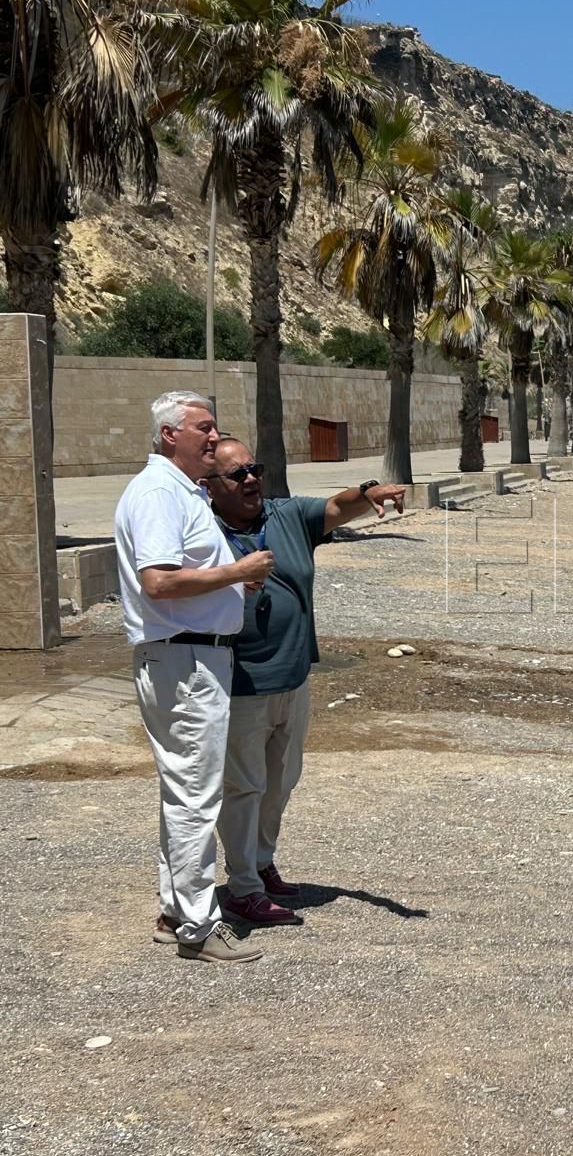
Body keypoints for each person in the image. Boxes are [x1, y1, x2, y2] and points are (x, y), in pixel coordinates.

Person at [206, 438, 407, 928]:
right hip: (239, 683)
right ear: (209, 487)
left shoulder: (286, 515)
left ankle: (260, 861)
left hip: (292, 677)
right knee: (243, 787)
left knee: (280, 781)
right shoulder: (201, 532)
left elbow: (338, 507)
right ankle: (242, 888)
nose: (251, 478)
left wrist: (369, 491)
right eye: (237, 474)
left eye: (255, 468)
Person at [114, 392, 274, 964]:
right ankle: (198, 927)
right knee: (194, 798)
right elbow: (158, 581)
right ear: (168, 436)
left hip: (192, 656)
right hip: (184, 661)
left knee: (185, 792)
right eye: (202, 429)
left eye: (214, 428)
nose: (214, 438)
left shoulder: (179, 491)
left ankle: (176, 910)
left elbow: (182, 574)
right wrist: (237, 571)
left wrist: (230, 586)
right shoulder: (160, 493)